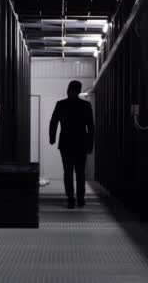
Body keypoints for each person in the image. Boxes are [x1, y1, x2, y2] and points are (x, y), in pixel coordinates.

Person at [49, 80, 95, 209]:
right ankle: (80, 199)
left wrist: (52, 137)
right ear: (79, 91)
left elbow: (53, 122)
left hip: (66, 143)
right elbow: (91, 127)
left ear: (68, 90)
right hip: (81, 143)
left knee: (68, 172)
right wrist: (90, 144)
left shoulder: (61, 104)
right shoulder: (85, 106)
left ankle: (71, 199)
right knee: (80, 173)